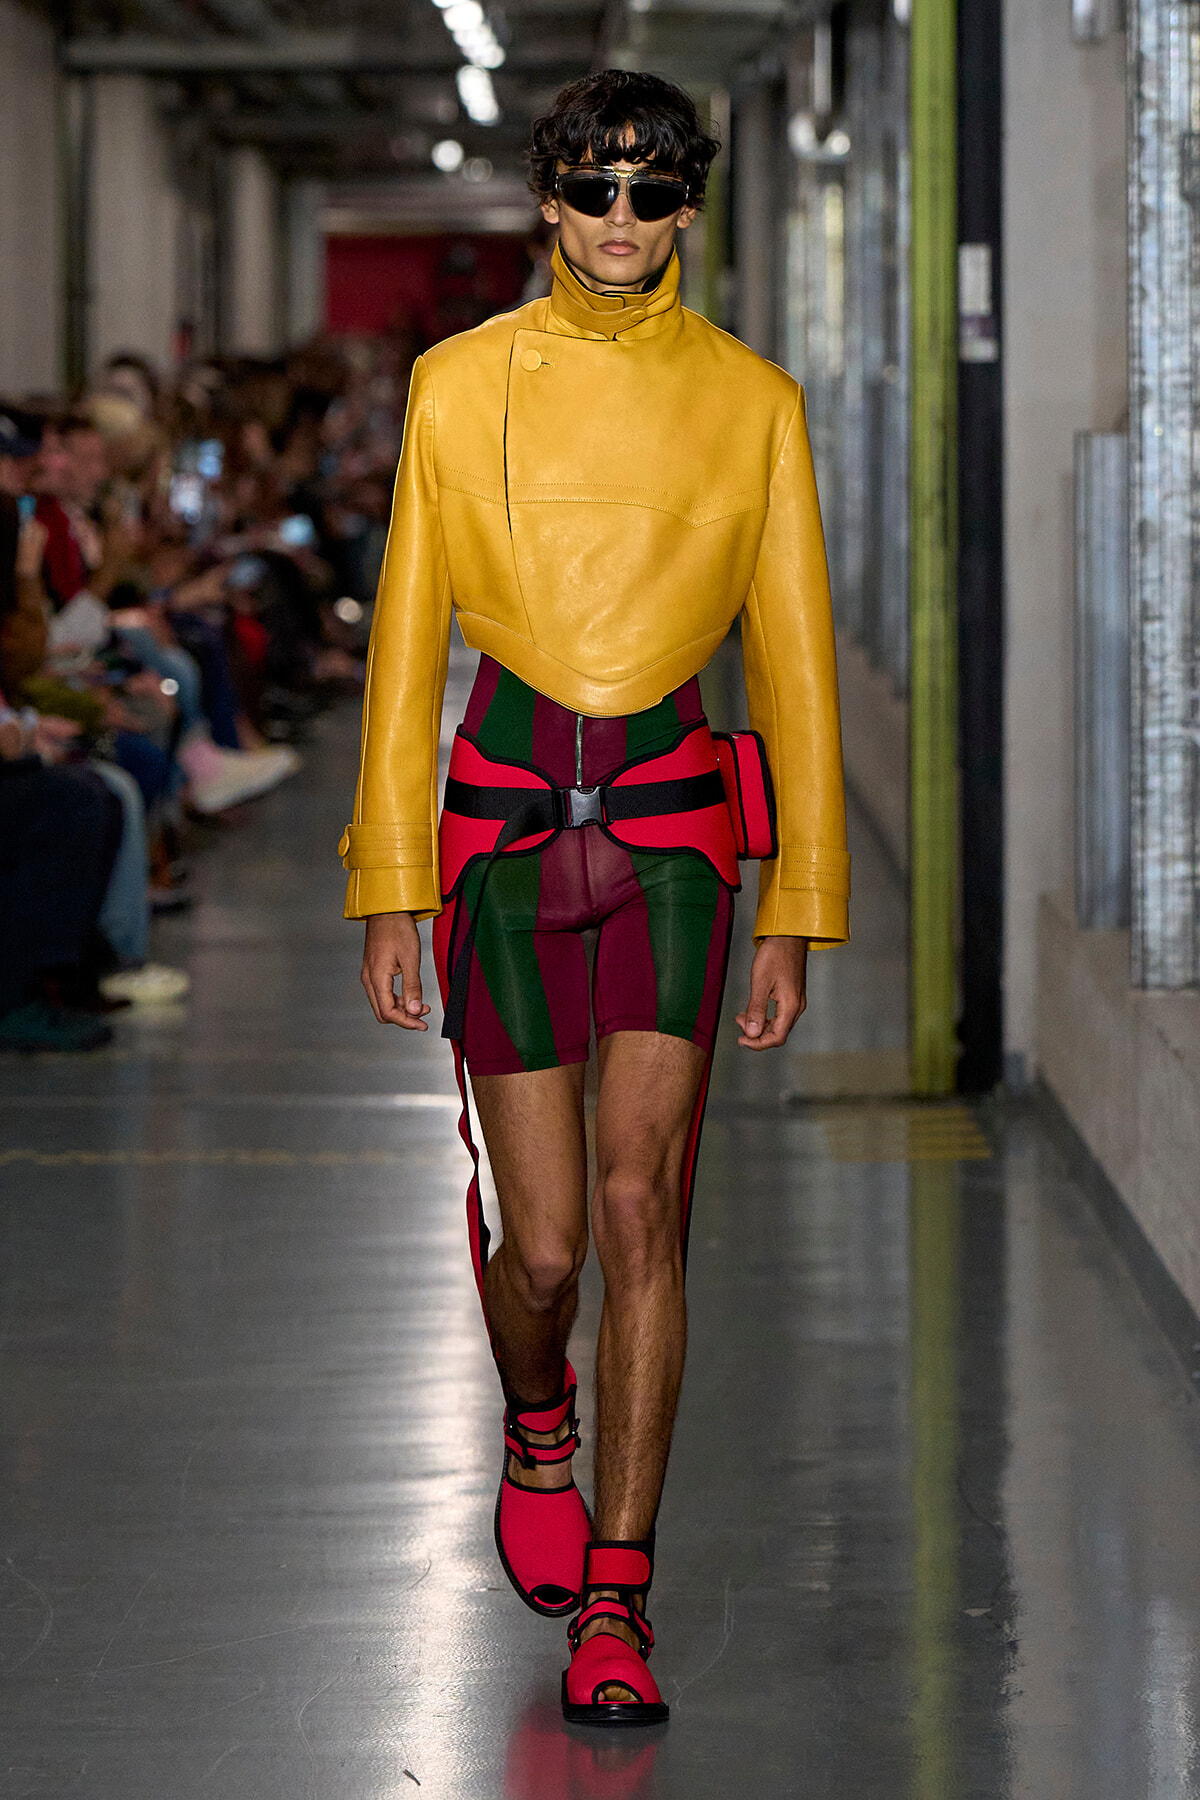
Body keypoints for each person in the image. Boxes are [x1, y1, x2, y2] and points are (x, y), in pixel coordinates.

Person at [344, 70, 849, 1726]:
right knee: (548, 1248)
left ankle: (617, 1601)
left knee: (645, 1215)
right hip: (497, 829)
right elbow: (408, 639)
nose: (622, 220)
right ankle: (536, 1415)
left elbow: (793, 658)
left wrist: (799, 902)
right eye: (593, 189)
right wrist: (386, 880)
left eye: (651, 191)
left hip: (678, 837)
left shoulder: (754, 403)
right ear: (546, 201)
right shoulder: (453, 385)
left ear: (689, 206)